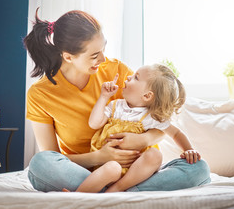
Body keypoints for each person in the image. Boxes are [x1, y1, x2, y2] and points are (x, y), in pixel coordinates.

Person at [24, 8, 211, 193]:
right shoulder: (40, 94)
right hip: (85, 171)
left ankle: (101, 192)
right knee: (41, 164)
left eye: (103, 48)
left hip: (139, 170)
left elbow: (159, 119)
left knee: (199, 168)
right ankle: (121, 191)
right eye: (95, 55)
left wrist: (141, 139)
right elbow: (54, 157)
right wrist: (99, 157)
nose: (103, 58)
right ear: (68, 57)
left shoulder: (117, 71)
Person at [74, 64, 200, 193]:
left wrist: (188, 149)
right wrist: (104, 97)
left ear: (147, 96)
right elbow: (94, 124)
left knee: (155, 155)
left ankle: (118, 188)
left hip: (135, 170)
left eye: (136, 77)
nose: (128, 77)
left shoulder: (151, 117)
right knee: (112, 168)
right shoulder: (115, 106)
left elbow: (176, 133)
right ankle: (76, 197)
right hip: (109, 165)